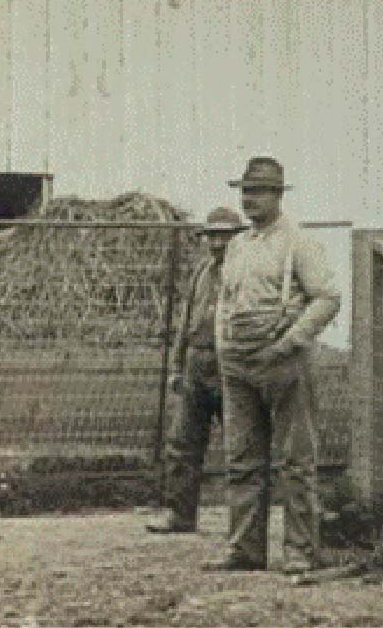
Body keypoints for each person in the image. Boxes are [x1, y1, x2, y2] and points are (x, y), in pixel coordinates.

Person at [209, 156, 341, 575]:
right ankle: (245, 550)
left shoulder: (298, 242)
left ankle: (300, 552)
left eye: (259, 191)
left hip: (283, 363)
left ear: (278, 195)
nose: (250, 200)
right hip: (238, 364)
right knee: (241, 458)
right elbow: (225, 304)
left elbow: (327, 298)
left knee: (296, 461)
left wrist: (289, 342)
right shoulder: (237, 245)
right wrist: (222, 349)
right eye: (246, 191)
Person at [148, 206, 244, 534]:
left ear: (239, 239)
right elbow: (185, 323)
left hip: (230, 366)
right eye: (213, 236)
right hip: (196, 364)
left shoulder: (246, 274)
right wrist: (177, 365)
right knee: (183, 442)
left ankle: (244, 524)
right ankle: (180, 514)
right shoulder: (202, 272)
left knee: (241, 446)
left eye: (225, 237)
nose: (218, 244)